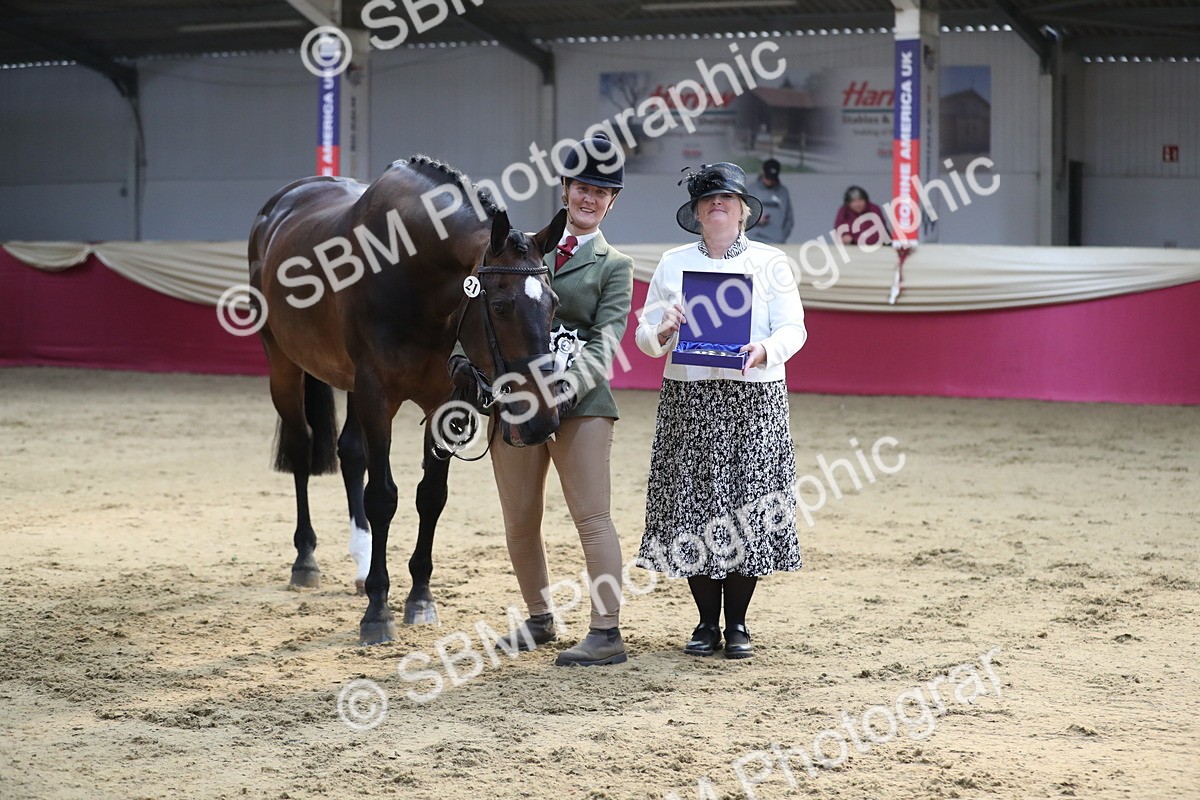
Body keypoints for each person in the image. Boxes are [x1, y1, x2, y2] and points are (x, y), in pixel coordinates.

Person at [634, 162, 806, 659]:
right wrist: (663, 328)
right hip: (690, 397)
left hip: (755, 397)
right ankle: (706, 623)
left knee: (748, 509)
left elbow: (793, 329)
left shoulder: (773, 262)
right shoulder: (671, 263)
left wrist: (765, 351)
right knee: (693, 507)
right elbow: (646, 340)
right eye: (709, 200)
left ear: (744, 210)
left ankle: (738, 625)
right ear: (696, 211)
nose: (718, 205)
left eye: (726, 199)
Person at [488, 132, 635, 667]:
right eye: (582, 188)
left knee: (592, 519)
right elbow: (481, 304)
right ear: (566, 189)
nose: (590, 198)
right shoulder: (521, 247)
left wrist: (566, 386)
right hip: (517, 402)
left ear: (611, 201)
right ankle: (539, 618)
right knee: (520, 520)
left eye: (602, 192)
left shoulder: (614, 265)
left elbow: (608, 338)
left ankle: (605, 631)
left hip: (582, 405)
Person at [746, 158, 793, 245]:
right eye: (767, 177)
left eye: (772, 178)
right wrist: (756, 219)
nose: (770, 181)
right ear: (762, 172)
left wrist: (782, 236)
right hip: (755, 241)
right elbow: (741, 215)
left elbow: (789, 218)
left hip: (777, 242)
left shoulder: (783, 192)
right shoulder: (751, 189)